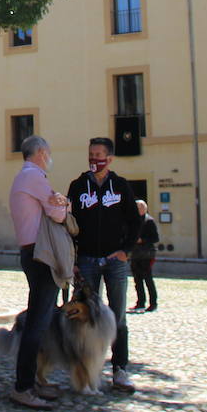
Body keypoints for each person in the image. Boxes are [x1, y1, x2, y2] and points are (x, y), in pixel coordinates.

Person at [67, 136, 142, 394]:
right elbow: (69, 224)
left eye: (99, 155)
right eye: (90, 154)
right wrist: (73, 261)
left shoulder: (120, 186)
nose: (94, 159)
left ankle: (120, 370)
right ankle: (87, 370)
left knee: (118, 317)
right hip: (86, 260)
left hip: (115, 262)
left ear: (109, 159)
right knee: (85, 319)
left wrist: (126, 250)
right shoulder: (78, 186)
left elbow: (135, 220)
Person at [6, 134, 71, 409]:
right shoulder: (34, 176)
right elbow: (58, 214)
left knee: (39, 319)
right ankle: (24, 386)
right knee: (37, 322)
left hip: (31, 252)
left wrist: (59, 204)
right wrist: (64, 204)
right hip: (41, 253)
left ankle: (32, 381)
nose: (49, 157)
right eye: (49, 152)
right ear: (41, 152)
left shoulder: (23, 177)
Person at [130, 199, 160, 313]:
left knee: (148, 279)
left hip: (147, 254)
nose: (137, 210)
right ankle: (140, 302)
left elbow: (155, 238)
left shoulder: (149, 221)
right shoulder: (133, 221)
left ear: (144, 208)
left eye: (138, 208)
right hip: (135, 254)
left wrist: (142, 240)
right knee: (137, 281)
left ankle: (153, 303)